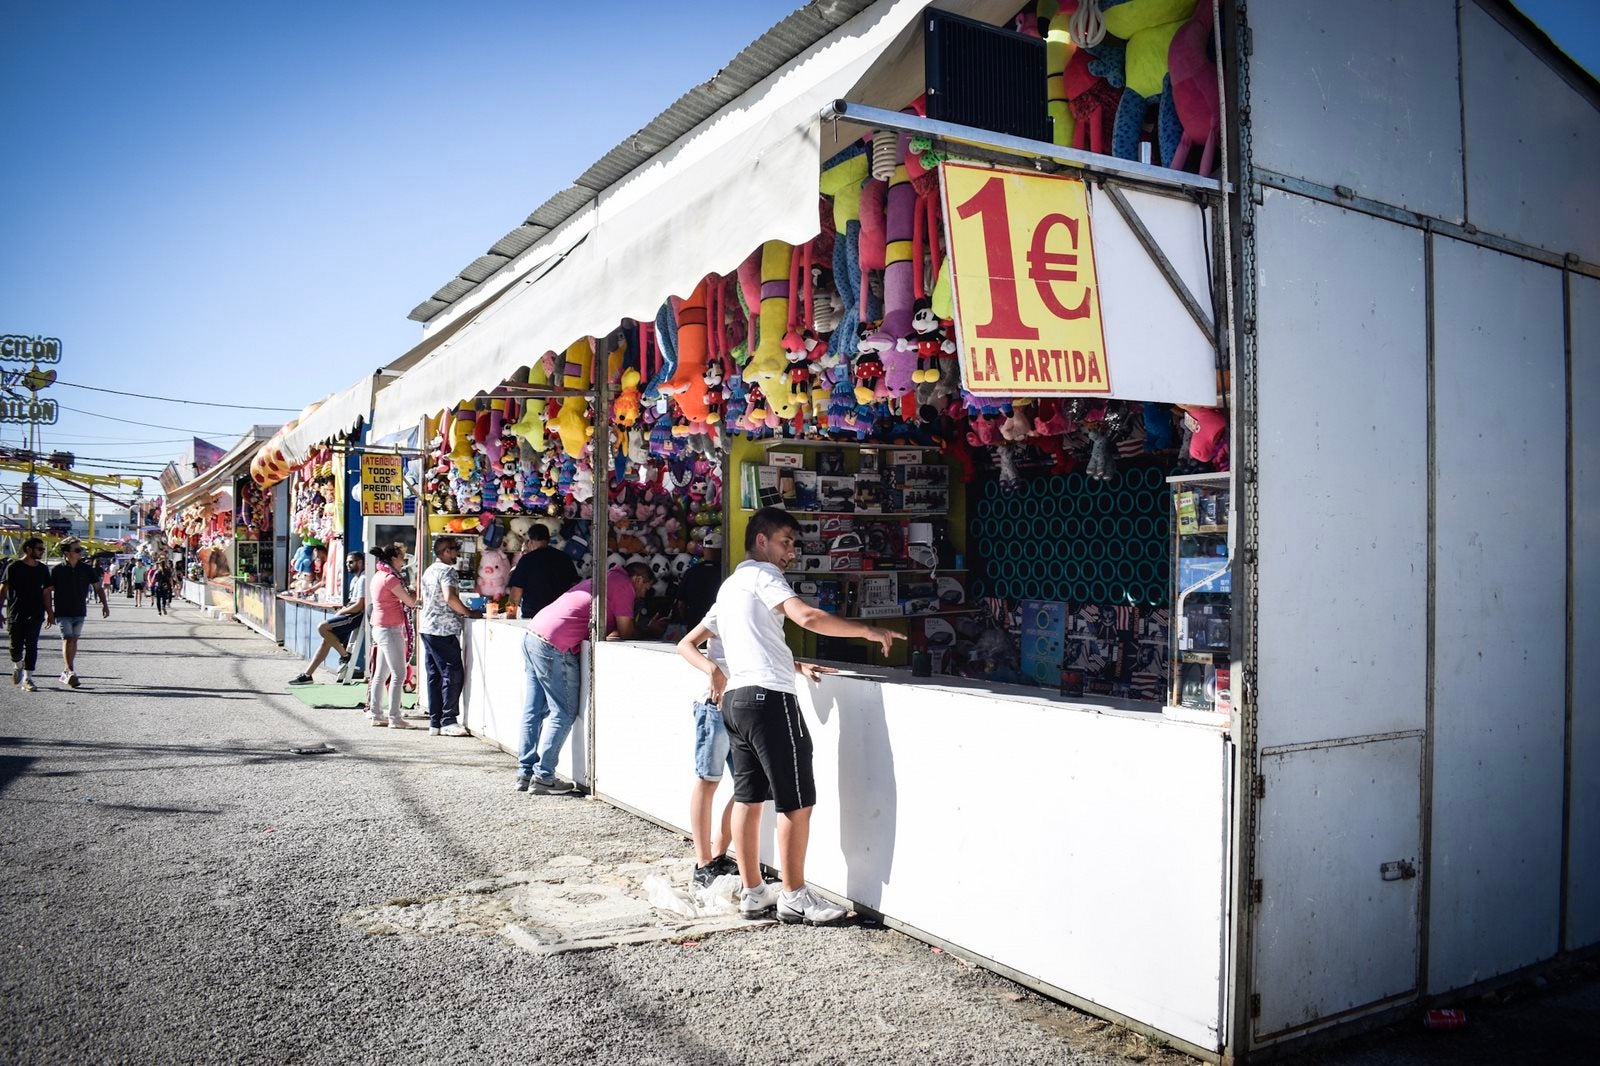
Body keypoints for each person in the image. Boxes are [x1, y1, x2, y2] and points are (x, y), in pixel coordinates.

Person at [677, 507, 902, 925]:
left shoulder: (729, 587)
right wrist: (868, 630)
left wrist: (784, 665)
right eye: (786, 542)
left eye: (794, 545)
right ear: (761, 540)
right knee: (796, 801)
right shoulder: (764, 576)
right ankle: (795, 895)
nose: (791, 552)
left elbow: (748, 641)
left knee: (749, 798)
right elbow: (808, 617)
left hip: (737, 700)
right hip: (769, 698)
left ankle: (753, 892)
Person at [675, 611, 832, 888]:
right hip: (715, 704)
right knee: (708, 781)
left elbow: (765, 656)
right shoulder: (724, 606)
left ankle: (718, 855)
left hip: (744, 706)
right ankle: (702, 863)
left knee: (748, 789)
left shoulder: (762, 613)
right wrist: (712, 669)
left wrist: (798, 666)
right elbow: (685, 644)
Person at [515, 562, 653, 794]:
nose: (645, 593)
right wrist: (652, 630)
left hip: (534, 633)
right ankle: (543, 776)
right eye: (647, 587)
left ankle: (525, 772)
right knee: (564, 713)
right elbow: (626, 631)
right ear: (639, 579)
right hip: (555, 645)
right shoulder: (623, 586)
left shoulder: (605, 578)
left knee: (534, 710)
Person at [418, 537, 483, 737]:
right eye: (455, 550)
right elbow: (450, 597)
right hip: (443, 629)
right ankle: (448, 720)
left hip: (428, 627)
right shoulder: (448, 571)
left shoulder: (429, 570)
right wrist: (468, 612)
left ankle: (435, 721)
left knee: (434, 675)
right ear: (446, 551)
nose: (457, 554)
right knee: (452, 673)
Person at [288, 552, 367, 686]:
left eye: (351, 562)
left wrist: (342, 611)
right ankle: (308, 675)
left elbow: (359, 605)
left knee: (322, 627)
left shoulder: (364, 578)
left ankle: (345, 655)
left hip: (354, 616)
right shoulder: (355, 579)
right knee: (326, 641)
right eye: (347, 562)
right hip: (348, 614)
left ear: (360, 562)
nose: (348, 565)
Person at [365, 544, 418, 729]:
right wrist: (415, 593)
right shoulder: (390, 579)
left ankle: (376, 714)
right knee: (399, 674)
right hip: (390, 630)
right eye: (402, 557)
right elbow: (411, 602)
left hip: (380, 628)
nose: (404, 561)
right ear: (394, 557)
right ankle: (395, 718)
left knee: (380, 674)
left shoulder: (379, 576)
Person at [47, 538, 109, 688]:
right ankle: (70, 670)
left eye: (80, 549)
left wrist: (105, 605)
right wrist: (49, 612)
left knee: (74, 640)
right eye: (77, 550)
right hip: (62, 611)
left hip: (80, 611)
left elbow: (98, 587)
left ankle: (66, 671)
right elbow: (47, 591)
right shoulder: (57, 570)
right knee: (67, 639)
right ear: (67, 553)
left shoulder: (86, 569)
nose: (80, 552)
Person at [0, 537, 56, 692]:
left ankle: (28, 678)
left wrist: (50, 613)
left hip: (35, 613)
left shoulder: (43, 569)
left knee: (32, 645)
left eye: (42, 549)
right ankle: (18, 665)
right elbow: (3, 591)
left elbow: (46, 592)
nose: (42, 551)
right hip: (16, 612)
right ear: (28, 549)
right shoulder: (14, 567)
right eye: (39, 549)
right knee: (15, 646)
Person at [505, 524, 577, 619]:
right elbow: (575, 587)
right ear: (548, 540)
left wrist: (510, 617)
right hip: (560, 616)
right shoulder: (565, 558)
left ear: (530, 541)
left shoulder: (527, 560)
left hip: (533, 617)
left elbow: (515, 594)